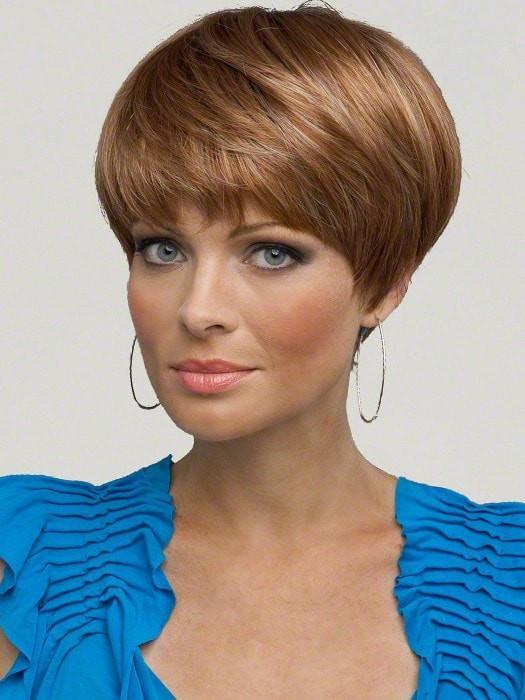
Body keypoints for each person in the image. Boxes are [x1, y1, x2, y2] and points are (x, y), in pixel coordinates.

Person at [1, 2, 524, 698]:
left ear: (384, 285)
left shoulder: (509, 588)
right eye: (163, 249)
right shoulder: (23, 565)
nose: (198, 309)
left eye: (271, 253)